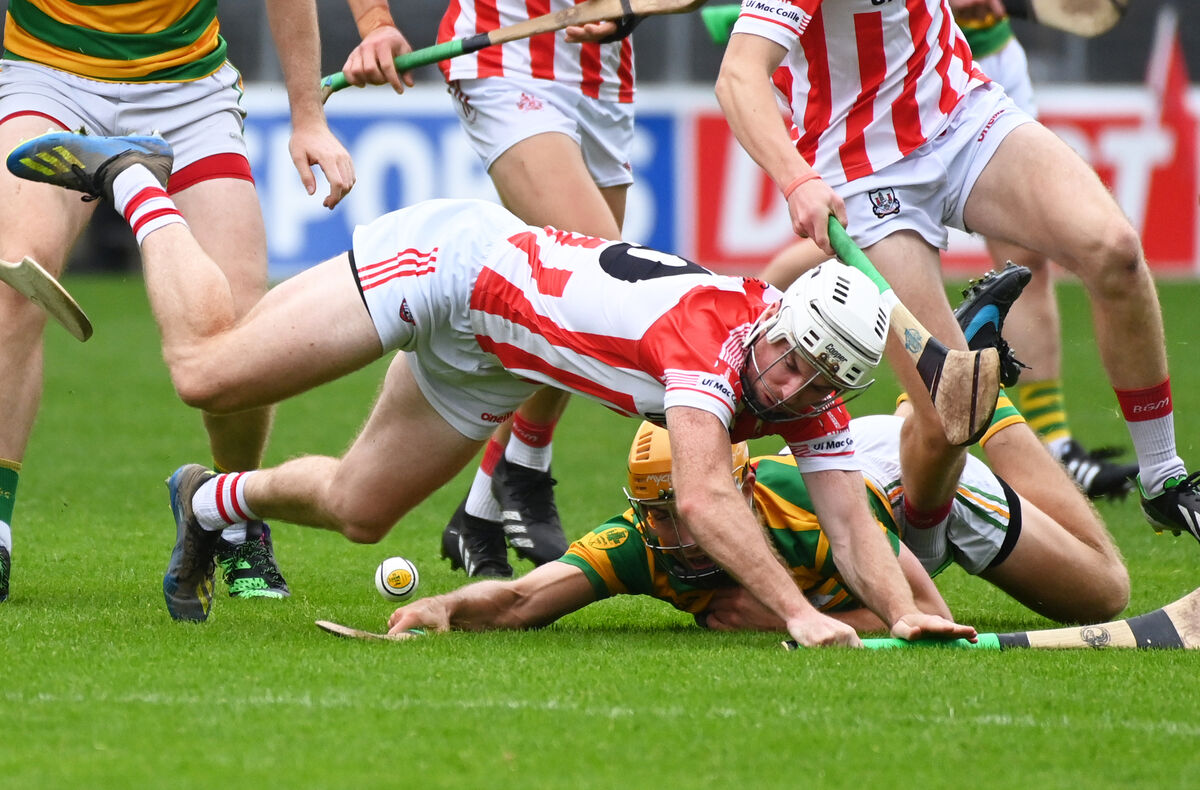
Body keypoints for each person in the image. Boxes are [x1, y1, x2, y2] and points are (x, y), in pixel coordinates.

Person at [8, 131, 977, 647]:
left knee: (357, 509)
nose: (787, 378)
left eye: (812, 375)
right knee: (203, 370)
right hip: (448, 265)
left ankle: (208, 499)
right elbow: (705, 495)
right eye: (789, 351)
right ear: (778, 316)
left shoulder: (813, 393)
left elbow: (855, 523)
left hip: (506, 351)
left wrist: (903, 610)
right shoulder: (714, 340)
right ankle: (133, 178)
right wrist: (802, 614)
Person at [713, 0, 1200, 548]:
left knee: (1115, 251)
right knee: (950, 419)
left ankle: (1164, 480)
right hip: (863, 166)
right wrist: (796, 179)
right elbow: (737, 75)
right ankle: (922, 562)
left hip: (963, 114)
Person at [0, 0, 355, 603]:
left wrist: (308, 117)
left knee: (240, 330)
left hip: (186, 91)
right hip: (47, 76)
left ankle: (232, 517)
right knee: (16, 280)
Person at [339, 0, 644, 578]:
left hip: (604, 75)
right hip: (503, 52)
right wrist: (374, 23)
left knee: (556, 311)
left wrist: (629, 11)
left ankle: (479, 515)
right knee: (600, 281)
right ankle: (523, 465)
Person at [386, 400, 1129, 638]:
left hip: (897, 492)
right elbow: (521, 598)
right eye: (656, 514)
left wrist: (785, 615)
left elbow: (929, 616)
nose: (677, 535)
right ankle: (940, 411)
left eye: (687, 509)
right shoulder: (641, 544)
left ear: (734, 491)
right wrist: (447, 607)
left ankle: (968, 419)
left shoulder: (802, 502)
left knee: (1103, 594)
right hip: (866, 496)